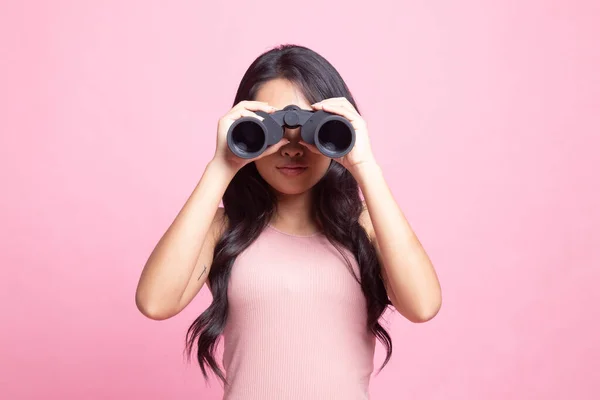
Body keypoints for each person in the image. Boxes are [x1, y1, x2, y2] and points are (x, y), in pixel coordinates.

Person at [135, 44, 442, 399]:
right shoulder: (223, 229)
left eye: (310, 128)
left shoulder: (365, 227)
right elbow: (155, 302)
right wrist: (222, 165)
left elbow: (422, 306)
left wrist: (365, 167)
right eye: (275, 128)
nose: (292, 148)